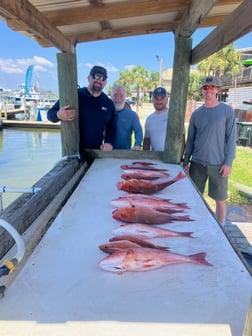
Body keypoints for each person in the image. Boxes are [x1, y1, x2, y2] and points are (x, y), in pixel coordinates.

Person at [183, 75, 236, 225]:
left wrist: (228, 162)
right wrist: (186, 162)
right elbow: (191, 140)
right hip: (197, 164)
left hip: (218, 165)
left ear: (217, 90)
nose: (208, 90)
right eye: (205, 88)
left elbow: (231, 138)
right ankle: (195, 224)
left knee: (220, 201)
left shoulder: (227, 111)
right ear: (202, 91)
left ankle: (221, 229)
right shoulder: (196, 114)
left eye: (212, 87)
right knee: (195, 197)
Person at [47, 65, 116, 153]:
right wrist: (59, 115)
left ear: (105, 82)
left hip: (96, 153)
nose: (99, 80)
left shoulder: (109, 103)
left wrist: (108, 143)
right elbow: (50, 115)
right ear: (89, 78)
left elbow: (112, 128)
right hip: (72, 152)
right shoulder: (74, 95)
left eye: (103, 78)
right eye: (96, 76)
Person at [143, 86, 185, 157]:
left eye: (162, 98)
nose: (159, 101)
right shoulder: (149, 119)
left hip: (172, 159)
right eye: (156, 98)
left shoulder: (174, 117)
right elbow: (146, 142)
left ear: (167, 99)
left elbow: (182, 139)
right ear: (152, 99)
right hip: (155, 159)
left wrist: (179, 158)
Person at [111, 85, 143, 150]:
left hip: (125, 153)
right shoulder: (105, 112)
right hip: (107, 153)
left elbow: (138, 131)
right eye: (115, 95)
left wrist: (137, 144)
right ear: (111, 96)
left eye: (121, 96)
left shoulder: (132, 115)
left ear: (125, 97)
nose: (118, 98)